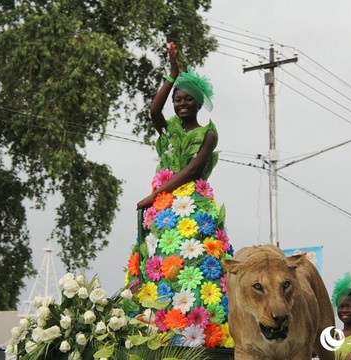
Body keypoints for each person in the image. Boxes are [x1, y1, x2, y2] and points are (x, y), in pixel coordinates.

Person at [124, 42, 235, 349]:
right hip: (162, 207)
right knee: (158, 259)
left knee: (196, 261)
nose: (182, 104)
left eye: (188, 100)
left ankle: (205, 326)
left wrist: (154, 193)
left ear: (198, 105)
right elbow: (153, 110)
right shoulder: (169, 129)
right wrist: (172, 75)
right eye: (178, 99)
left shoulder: (207, 133)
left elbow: (192, 169)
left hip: (192, 204)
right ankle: (158, 323)